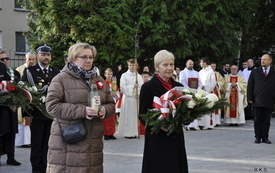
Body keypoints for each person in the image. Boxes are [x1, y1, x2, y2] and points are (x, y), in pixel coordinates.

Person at [45, 43, 115, 172]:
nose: (88, 60)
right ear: (73, 58)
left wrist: (105, 110)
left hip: (93, 142)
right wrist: (82, 111)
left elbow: (111, 103)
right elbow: (52, 106)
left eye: (91, 57)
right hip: (70, 140)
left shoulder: (98, 79)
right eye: (84, 57)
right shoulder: (61, 79)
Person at [139, 50, 188, 173]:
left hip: (175, 136)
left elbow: (184, 110)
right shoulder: (148, 87)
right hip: (157, 138)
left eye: (171, 64)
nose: (169, 68)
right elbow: (142, 114)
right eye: (165, 65)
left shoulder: (179, 86)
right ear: (156, 67)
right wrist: (160, 125)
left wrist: (187, 116)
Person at [21, 44, 60, 173]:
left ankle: (48, 167)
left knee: (49, 144)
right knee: (37, 144)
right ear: (37, 56)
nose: (46, 57)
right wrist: (27, 114)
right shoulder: (30, 72)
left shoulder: (56, 72)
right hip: (37, 114)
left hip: (52, 114)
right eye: (43, 55)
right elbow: (24, 94)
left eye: (48, 55)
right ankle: (37, 169)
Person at [247, 54, 275, 144]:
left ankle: (265, 137)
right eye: (262, 59)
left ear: (270, 61)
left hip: (269, 99)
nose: (262, 61)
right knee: (257, 119)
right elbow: (250, 85)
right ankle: (257, 137)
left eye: (265, 59)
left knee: (266, 120)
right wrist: (250, 97)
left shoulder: (273, 72)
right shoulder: (255, 71)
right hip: (257, 99)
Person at [0, 50, 21, 166]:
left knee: (11, 132)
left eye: (7, 58)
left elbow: (19, 87)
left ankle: (11, 156)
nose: (5, 61)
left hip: (11, 107)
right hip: (1, 107)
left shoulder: (14, 72)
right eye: (2, 59)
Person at [15, 52, 36, 147]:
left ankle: (30, 141)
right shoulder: (19, 70)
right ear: (25, 59)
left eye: (33, 59)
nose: (31, 61)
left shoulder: (37, 70)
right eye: (29, 59)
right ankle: (22, 142)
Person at [119, 59, 143, 138]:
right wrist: (132, 86)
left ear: (136, 66)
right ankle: (128, 133)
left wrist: (139, 93)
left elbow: (142, 87)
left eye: (133, 65)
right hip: (128, 98)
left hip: (136, 98)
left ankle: (135, 132)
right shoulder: (124, 75)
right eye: (130, 65)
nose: (131, 67)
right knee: (128, 116)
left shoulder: (139, 76)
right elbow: (122, 87)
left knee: (135, 116)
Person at [179, 59, 202, 130]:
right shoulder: (182, 72)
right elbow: (182, 81)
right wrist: (189, 89)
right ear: (186, 64)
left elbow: (200, 82)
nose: (191, 65)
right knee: (188, 107)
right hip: (187, 92)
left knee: (194, 107)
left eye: (192, 64)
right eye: (189, 64)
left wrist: (198, 89)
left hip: (195, 93)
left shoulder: (196, 73)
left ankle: (194, 125)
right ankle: (187, 125)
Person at [198, 57, 216, 129]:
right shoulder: (200, 72)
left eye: (201, 62)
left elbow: (213, 83)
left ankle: (209, 124)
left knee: (209, 107)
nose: (200, 63)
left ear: (205, 63)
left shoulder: (211, 71)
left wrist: (205, 87)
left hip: (208, 92)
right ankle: (201, 123)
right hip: (201, 92)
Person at [102, 68, 117, 140]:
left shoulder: (113, 83)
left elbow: (117, 92)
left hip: (113, 102)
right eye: (108, 74)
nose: (109, 75)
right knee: (106, 119)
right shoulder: (103, 83)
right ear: (105, 75)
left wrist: (116, 94)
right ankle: (106, 134)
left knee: (112, 119)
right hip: (106, 102)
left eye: (111, 74)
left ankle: (111, 133)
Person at [210, 62, 225, 126]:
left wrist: (217, 83)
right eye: (212, 66)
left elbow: (222, 81)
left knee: (216, 107)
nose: (213, 68)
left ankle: (217, 122)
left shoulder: (217, 74)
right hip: (209, 91)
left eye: (214, 66)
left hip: (216, 91)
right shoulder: (207, 73)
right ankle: (209, 122)